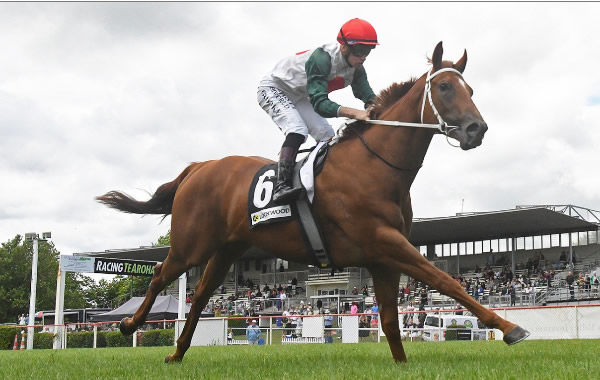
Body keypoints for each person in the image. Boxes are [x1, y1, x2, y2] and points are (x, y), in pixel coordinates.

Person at [258, 18, 379, 204]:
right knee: (297, 130)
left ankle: (323, 180)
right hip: (275, 88)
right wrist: (356, 113)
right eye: (360, 51)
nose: (364, 57)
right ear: (344, 46)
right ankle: (281, 185)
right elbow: (320, 104)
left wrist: (378, 110)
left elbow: (368, 96)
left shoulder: (357, 68)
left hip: (300, 95)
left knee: (327, 137)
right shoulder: (322, 58)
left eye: (368, 51)